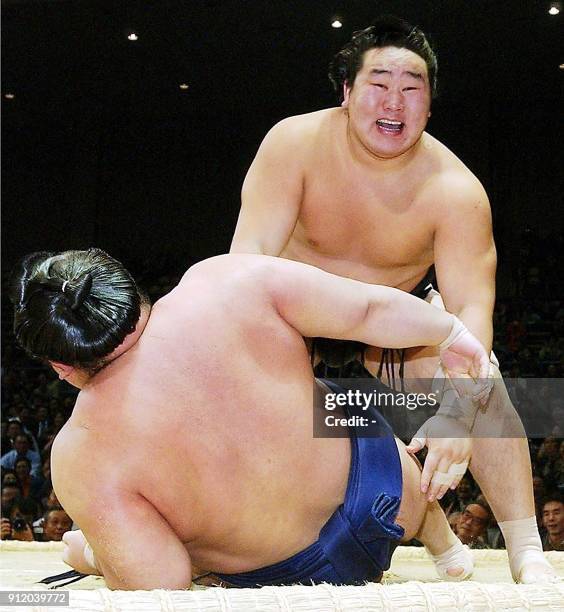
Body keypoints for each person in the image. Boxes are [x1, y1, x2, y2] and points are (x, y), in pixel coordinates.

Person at [229, 15, 556, 583]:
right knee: (215, 373)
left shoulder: (456, 191)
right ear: (347, 92)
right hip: (294, 317)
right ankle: (435, 532)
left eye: (412, 89)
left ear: (430, 106)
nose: (395, 102)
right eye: (379, 84)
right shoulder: (293, 144)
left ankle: (527, 547)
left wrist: (458, 407)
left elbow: (471, 318)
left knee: (479, 375)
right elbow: (246, 264)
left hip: (397, 323)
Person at [10, 248, 492, 590]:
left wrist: (95, 558)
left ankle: (441, 538)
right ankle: (439, 535)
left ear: (60, 366)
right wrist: (451, 334)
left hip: (318, 571)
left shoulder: (82, 451)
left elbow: (159, 582)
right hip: (389, 487)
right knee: (339, 399)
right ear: (132, 295)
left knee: (183, 542)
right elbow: (368, 307)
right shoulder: (225, 283)